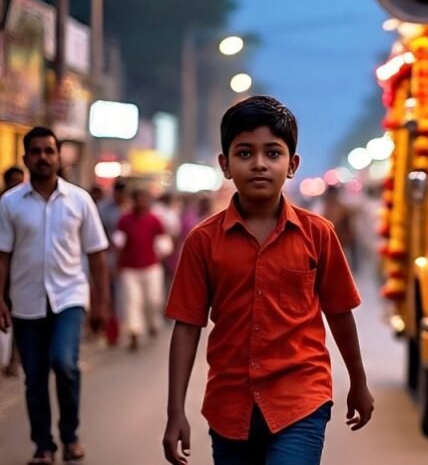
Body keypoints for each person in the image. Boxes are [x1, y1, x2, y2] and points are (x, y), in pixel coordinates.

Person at [162, 96, 373, 465]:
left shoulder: (318, 234)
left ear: (291, 165)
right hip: (229, 408)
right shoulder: (202, 241)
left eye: (272, 154)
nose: (259, 164)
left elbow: (340, 313)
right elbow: (187, 325)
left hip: (301, 401)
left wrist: (358, 381)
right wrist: (175, 411)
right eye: (245, 154)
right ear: (225, 165)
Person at [0, 127, 110, 464]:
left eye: (49, 151)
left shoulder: (79, 200)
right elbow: (2, 255)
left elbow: (96, 255)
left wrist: (102, 305)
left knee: (64, 363)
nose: (43, 157)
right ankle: (43, 446)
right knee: (34, 376)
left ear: (58, 156)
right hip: (27, 301)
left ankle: (70, 435)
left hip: (69, 299)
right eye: (36, 151)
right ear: (25, 158)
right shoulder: (9, 203)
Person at [114, 188, 169, 351]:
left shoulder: (154, 220)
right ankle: (134, 333)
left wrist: (161, 254)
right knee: (132, 301)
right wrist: (117, 263)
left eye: (144, 199)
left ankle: (152, 322)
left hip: (151, 267)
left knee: (153, 299)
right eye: (139, 199)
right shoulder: (124, 220)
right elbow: (119, 243)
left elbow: (164, 243)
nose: (141, 203)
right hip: (129, 269)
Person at [97, 178, 128, 347]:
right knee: (105, 294)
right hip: (106, 256)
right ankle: (105, 330)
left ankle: (114, 331)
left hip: (124, 260)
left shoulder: (128, 209)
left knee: (119, 297)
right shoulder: (103, 208)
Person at [1, 166, 25, 379]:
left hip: (20, 273)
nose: (16, 185)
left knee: (17, 315)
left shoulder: (26, 204)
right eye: (12, 181)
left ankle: (13, 359)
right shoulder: (5, 205)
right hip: (3, 270)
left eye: (20, 181)